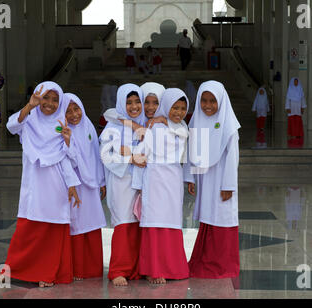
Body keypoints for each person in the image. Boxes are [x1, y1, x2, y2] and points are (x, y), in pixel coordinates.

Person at [0, 81, 81, 288]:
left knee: (53, 233)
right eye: (46, 97)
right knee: (25, 232)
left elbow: (67, 159)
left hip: (56, 187)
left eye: (56, 100)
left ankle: (48, 273)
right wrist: (30, 105)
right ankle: (6, 273)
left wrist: (71, 183)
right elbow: (11, 126)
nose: (50, 104)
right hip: (34, 186)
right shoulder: (28, 121)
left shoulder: (61, 124)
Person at [132, 88, 190, 284]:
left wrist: (166, 120)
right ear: (166, 106)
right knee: (154, 223)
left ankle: (173, 267)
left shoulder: (180, 126)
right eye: (174, 107)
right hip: (155, 179)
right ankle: (153, 269)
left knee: (171, 222)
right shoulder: (154, 128)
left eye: (183, 108)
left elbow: (184, 134)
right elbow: (142, 152)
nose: (178, 112)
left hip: (174, 180)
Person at [184, 80, 241, 279]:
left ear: (221, 101)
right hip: (204, 181)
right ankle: (204, 260)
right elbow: (190, 151)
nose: (207, 105)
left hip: (221, 182)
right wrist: (190, 178)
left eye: (212, 101)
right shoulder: (197, 121)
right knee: (207, 217)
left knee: (222, 218)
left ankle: (222, 264)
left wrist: (228, 185)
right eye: (204, 100)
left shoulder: (229, 126)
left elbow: (233, 159)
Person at [99, 84, 147, 286]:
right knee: (124, 224)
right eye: (128, 102)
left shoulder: (145, 123)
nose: (134, 106)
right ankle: (119, 270)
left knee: (141, 225)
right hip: (121, 182)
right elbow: (105, 155)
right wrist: (130, 158)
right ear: (121, 103)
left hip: (142, 182)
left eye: (137, 102)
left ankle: (138, 268)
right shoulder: (113, 127)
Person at [60, 93, 107, 281]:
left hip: (92, 184)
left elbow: (96, 154)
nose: (74, 115)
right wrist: (68, 141)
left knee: (92, 222)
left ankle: (93, 268)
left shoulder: (88, 126)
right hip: (75, 184)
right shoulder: (62, 130)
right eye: (68, 111)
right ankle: (78, 268)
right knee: (77, 223)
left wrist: (101, 181)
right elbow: (66, 157)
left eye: (76, 109)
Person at [285, 77, 307, 142]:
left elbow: (302, 98)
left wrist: (302, 107)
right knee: (292, 121)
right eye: (294, 81)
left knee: (298, 121)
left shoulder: (300, 89)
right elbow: (287, 99)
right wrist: (287, 107)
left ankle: (298, 134)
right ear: (292, 82)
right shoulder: (290, 89)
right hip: (291, 108)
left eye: (297, 81)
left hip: (298, 108)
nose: (296, 83)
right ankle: (292, 134)